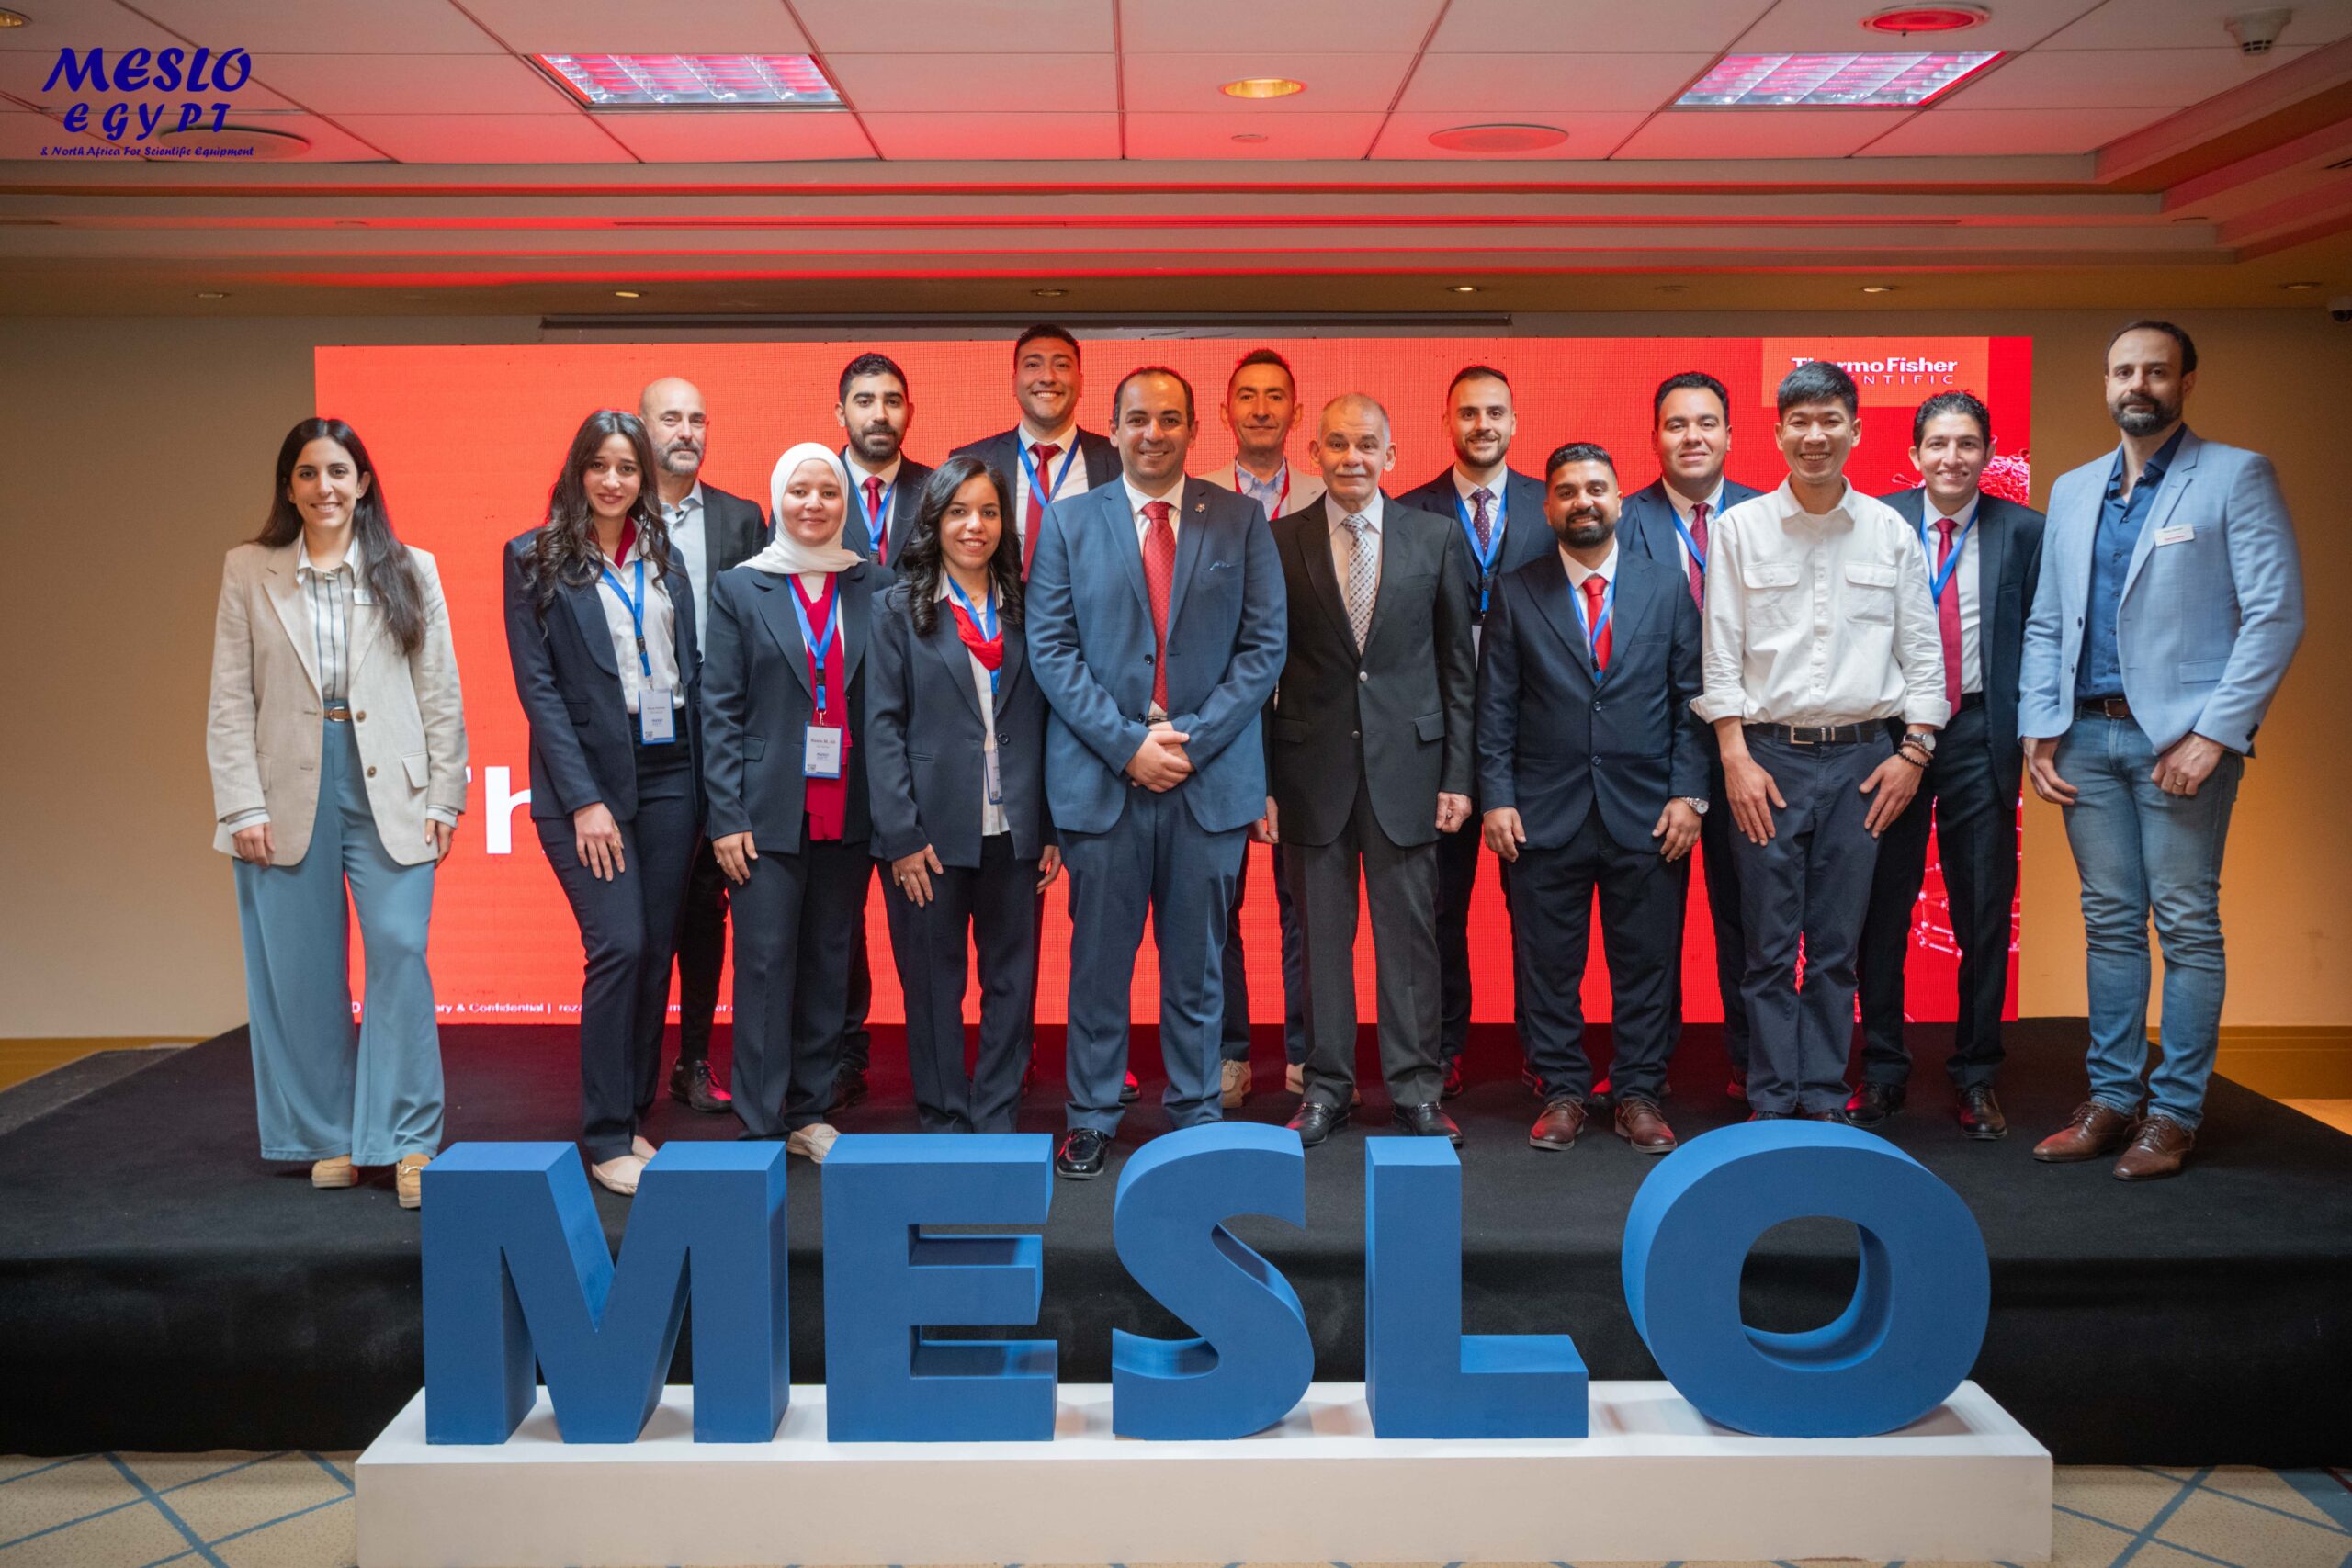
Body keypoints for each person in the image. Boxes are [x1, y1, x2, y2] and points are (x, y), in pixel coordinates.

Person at [2019, 321, 2303, 1181]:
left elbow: (2276, 614)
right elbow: (2047, 619)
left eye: (2155, 370)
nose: (2136, 384)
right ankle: (2111, 1101)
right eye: (2123, 371)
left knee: (2184, 922)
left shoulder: (2235, 475)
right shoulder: (2073, 489)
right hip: (2083, 736)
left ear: (2187, 382)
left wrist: (2214, 734)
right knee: (2109, 923)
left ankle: (2173, 1115)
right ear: (2105, 383)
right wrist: (2039, 725)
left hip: (2180, 742)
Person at [1025, 367, 1285, 1179]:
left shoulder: (1239, 519)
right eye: (1138, 418)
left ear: (1194, 429)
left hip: (1207, 783)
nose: (1154, 433)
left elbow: (1264, 647)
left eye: (1171, 419)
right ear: (1113, 426)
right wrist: (1126, 744)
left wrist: (1191, 741)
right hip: (1103, 782)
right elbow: (1051, 650)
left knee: (1198, 966)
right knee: (1098, 966)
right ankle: (1092, 1115)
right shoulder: (1068, 521)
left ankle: (1195, 1114)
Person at [209, 418, 465, 1212]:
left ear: (363, 483)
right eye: (309, 473)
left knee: (400, 951)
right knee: (301, 969)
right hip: (285, 788)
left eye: (340, 471)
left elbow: (439, 692)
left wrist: (445, 795)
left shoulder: (410, 567)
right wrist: (241, 803)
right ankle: (329, 1136)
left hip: (390, 785)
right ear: (289, 487)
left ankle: (408, 1136)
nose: (326, 487)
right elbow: (230, 698)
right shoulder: (248, 570)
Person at [1693, 361, 1947, 1123]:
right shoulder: (1739, 529)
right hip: (1766, 759)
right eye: (1800, 422)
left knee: (1838, 947)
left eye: (1830, 420)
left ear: (1856, 431)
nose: (1815, 436)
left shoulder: (1890, 531)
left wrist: (1914, 754)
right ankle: (1774, 1097)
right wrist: (1734, 757)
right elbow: (1720, 654)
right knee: (1768, 947)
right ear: (1777, 434)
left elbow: (1924, 656)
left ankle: (1826, 1095)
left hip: (1866, 762)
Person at [1479, 443, 1707, 1153]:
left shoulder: (1666, 586)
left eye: (1597, 488)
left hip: (1650, 812)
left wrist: (1689, 794)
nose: (1584, 500)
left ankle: (1638, 1091)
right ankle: (1563, 1091)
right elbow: (1496, 706)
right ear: (1547, 506)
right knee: (1547, 965)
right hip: (1542, 812)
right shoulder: (1516, 590)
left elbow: (1691, 700)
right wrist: (1496, 796)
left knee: (1648, 963)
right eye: (1568, 490)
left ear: (1619, 500)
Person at [1266, 394, 1476, 1146]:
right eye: (1336, 443)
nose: (1351, 457)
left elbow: (1457, 669)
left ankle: (1416, 1088)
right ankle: (1326, 1086)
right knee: (1320, 942)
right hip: (1308, 774)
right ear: (1315, 454)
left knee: (1410, 941)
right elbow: (1261, 669)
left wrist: (1459, 776)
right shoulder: (1279, 539)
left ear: (1391, 454)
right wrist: (1263, 783)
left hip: (1411, 771)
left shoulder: (1435, 536)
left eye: (1365, 444)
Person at [504, 410, 699, 1198]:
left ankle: (631, 1110)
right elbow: (540, 691)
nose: (613, 480)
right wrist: (585, 800)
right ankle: (605, 1133)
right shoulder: (533, 557)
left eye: (627, 467)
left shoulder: (664, 555)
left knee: (655, 951)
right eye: (600, 465)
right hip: (586, 785)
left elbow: (685, 664)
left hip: (671, 771)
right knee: (619, 943)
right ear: (576, 471)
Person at [1851, 391, 2046, 1140]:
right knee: (1881, 910)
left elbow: (2045, 637)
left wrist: (2037, 733)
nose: (1952, 457)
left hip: (1978, 733)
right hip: (1888, 738)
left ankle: (1976, 1073)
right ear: (1914, 454)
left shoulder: (2024, 531)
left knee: (1983, 910)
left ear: (1989, 453)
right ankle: (1883, 1069)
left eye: (1967, 444)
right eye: (1937, 443)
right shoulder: (1876, 522)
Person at [700, 443, 890, 1167]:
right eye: (800, 491)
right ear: (778, 498)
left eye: (829, 492)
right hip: (764, 810)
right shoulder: (740, 587)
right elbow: (719, 709)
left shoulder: (875, 584)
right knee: (764, 963)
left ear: (846, 504)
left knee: (828, 959)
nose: (814, 504)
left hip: (850, 805)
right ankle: (759, 1118)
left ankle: (809, 1109)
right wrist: (726, 816)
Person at [866, 457, 1063, 1132]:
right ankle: (946, 1116)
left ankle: (998, 1110)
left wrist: (1051, 828)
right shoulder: (896, 609)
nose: (974, 525)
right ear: (935, 520)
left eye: (988, 512)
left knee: (1012, 981)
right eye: (958, 511)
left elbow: (1050, 722)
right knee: (932, 984)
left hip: (1016, 828)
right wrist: (901, 835)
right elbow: (882, 728)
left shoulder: (1031, 606)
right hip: (928, 833)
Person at [1396, 366, 1553, 1097]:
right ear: (1447, 423)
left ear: (1514, 422)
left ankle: (1547, 1055)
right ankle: (1441, 1049)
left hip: (1537, 743)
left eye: (1495, 412)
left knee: (1541, 912)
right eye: (1468, 412)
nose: (1482, 424)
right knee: (1438, 910)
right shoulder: (1409, 510)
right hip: (1439, 747)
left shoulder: (1550, 505)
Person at [1618, 371, 1766, 1100]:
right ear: (1655, 438)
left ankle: (1753, 1062)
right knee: (1652, 925)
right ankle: (1650, 1072)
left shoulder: (1770, 515)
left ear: (1730, 434)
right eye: (1676, 424)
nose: (1692, 436)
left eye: (1706, 422)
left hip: (1754, 750)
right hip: (1654, 750)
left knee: (1750, 917)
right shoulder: (1621, 518)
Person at [639, 375, 768, 1118]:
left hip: (718, 730)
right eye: (671, 418)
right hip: (645, 738)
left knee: (706, 903)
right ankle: (632, 1067)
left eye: (698, 419)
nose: (686, 431)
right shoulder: (613, 510)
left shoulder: (740, 518)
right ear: (641, 427)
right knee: (644, 912)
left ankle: (693, 1059)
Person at [1206, 347, 1319, 1103]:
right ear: (1226, 412)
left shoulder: (1325, 492)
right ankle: (1229, 1052)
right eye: (1246, 395)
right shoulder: (1196, 496)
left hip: (1308, 718)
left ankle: (1309, 1052)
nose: (1260, 408)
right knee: (1218, 901)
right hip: (1222, 720)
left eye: (1275, 395)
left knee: (1304, 903)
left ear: (1295, 412)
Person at [832, 352, 936, 1108]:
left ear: (909, 412)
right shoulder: (809, 489)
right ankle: (841, 1054)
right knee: (835, 919)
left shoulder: (941, 493)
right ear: (840, 412)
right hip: (830, 736)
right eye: (864, 400)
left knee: (922, 914)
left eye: (892, 400)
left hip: (920, 735)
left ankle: (937, 1065)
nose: (879, 413)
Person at [951, 324, 1120, 576]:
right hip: (999, 600)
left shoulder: (1118, 462)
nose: (1047, 377)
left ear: (1081, 382)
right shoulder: (970, 460)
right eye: (1033, 364)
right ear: (1014, 382)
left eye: (1061, 365)